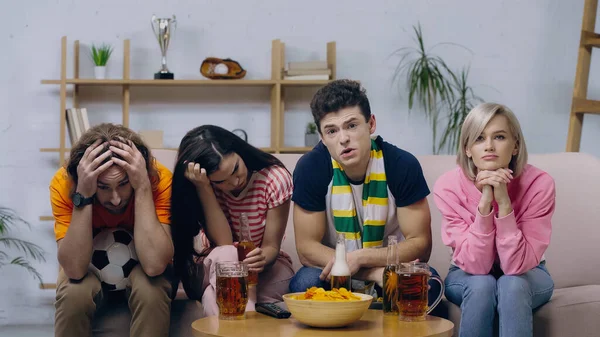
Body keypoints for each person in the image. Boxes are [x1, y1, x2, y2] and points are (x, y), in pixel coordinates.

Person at [289, 79, 441, 305]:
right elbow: (306, 249)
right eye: (331, 131)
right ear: (322, 137)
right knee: (304, 284)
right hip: (335, 271)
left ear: (371, 124)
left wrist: (361, 259)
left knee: (426, 286)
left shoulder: (401, 164)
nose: (343, 139)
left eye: (351, 125)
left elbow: (421, 244)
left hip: (391, 267)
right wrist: (369, 273)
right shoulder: (311, 167)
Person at [433, 103, 555, 337]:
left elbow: (515, 267)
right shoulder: (447, 186)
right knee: (482, 285)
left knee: (512, 284)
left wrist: (505, 202)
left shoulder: (540, 184)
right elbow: (477, 266)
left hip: (530, 271)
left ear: (516, 145)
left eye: (499, 136)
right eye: (479, 138)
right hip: (465, 271)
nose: (489, 146)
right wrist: (485, 202)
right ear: (467, 148)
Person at [50, 123, 174, 337]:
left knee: (151, 289)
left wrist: (142, 186)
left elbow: (155, 265)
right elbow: (74, 270)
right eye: (104, 187)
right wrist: (84, 194)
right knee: (73, 292)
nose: (115, 199)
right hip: (88, 269)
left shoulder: (158, 180)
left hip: (144, 267)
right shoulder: (65, 184)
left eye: (124, 184)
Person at [170, 125, 294, 316]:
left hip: (263, 270)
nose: (235, 182)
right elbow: (224, 243)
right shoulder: (203, 184)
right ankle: (246, 321)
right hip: (217, 264)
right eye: (221, 181)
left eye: (236, 169)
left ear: (239, 150)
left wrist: (262, 257)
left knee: (215, 296)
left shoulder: (274, 179)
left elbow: (271, 246)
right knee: (228, 254)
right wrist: (205, 188)